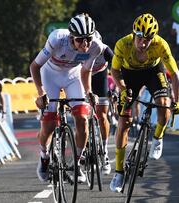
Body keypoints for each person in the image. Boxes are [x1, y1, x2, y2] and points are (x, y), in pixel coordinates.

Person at [109, 13, 179, 193]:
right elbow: (115, 71)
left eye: (148, 39)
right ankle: (119, 172)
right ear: (134, 34)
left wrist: (178, 100)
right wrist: (123, 90)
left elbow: (175, 75)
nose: (143, 43)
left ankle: (157, 137)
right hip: (129, 75)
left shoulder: (160, 45)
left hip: (153, 72)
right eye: (140, 38)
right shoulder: (122, 44)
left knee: (164, 105)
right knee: (123, 122)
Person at [30, 13, 104, 183]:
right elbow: (34, 66)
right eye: (80, 40)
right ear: (71, 37)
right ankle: (44, 156)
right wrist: (41, 93)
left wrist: (89, 92)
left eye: (88, 38)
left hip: (73, 76)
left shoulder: (96, 47)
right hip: (50, 75)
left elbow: (86, 71)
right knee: (48, 123)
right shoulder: (57, 39)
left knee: (83, 119)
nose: (85, 44)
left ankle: (77, 163)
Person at [89, 30, 114, 175]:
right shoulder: (81, 49)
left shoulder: (105, 51)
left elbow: (118, 66)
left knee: (102, 116)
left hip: (100, 78)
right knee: (82, 114)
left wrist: (117, 88)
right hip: (83, 77)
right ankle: (86, 146)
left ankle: (104, 151)